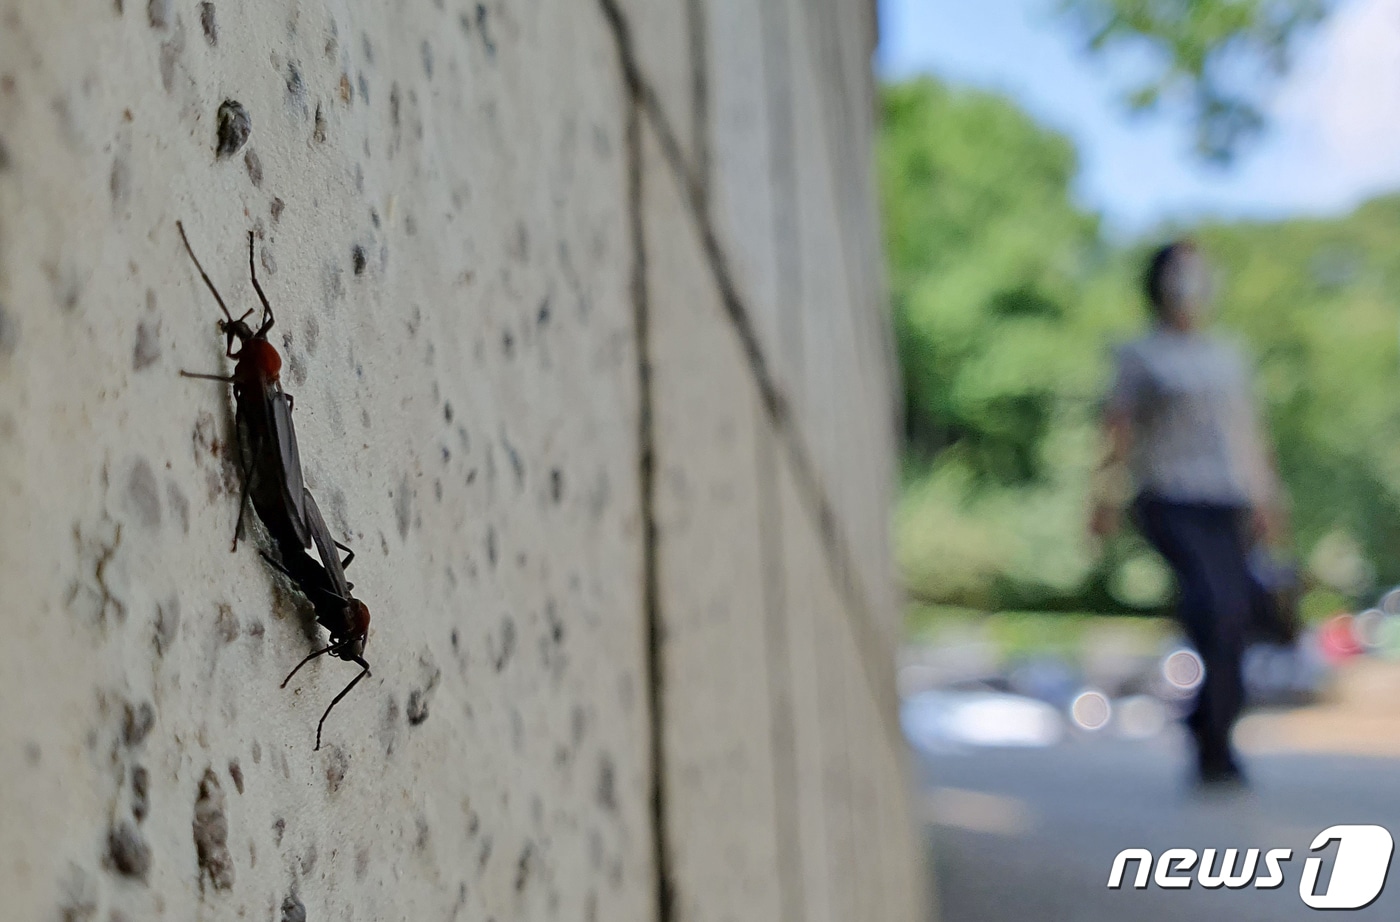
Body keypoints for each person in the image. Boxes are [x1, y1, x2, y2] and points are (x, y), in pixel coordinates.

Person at [1090, 240, 1286, 786]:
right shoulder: (1140, 353)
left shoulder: (1229, 354)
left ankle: (1209, 725)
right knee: (1215, 605)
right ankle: (1213, 743)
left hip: (1229, 502)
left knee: (1236, 616)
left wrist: (1270, 501)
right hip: (1169, 498)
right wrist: (1101, 499)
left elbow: (1251, 435)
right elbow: (1118, 429)